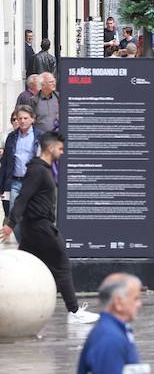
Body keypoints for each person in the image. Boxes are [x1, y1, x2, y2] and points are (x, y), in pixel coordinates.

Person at [0, 131, 99, 323]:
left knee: (23, 268)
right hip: (40, 228)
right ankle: (75, 312)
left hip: (34, 228)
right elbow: (23, 198)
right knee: (62, 263)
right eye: (60, 149)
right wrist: (10, 224)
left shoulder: (41, 169)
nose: (62, 153)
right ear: (50, 148)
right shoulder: (38, 170)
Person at [76, 274, 144, 374]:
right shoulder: (109, 338)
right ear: (118, 302)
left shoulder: (114, 330)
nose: (139, 304)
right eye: (135, 299)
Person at [0, 105, 42, 215]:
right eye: (20, 118)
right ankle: (20, 233)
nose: (22, 121)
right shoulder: (11, 137)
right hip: (15, 183)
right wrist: (2, 185)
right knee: (14, 215)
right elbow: (5, 163)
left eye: (25, 118)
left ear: (33, 119)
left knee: (33, 215)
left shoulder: (40, 137)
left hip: (33, 182)